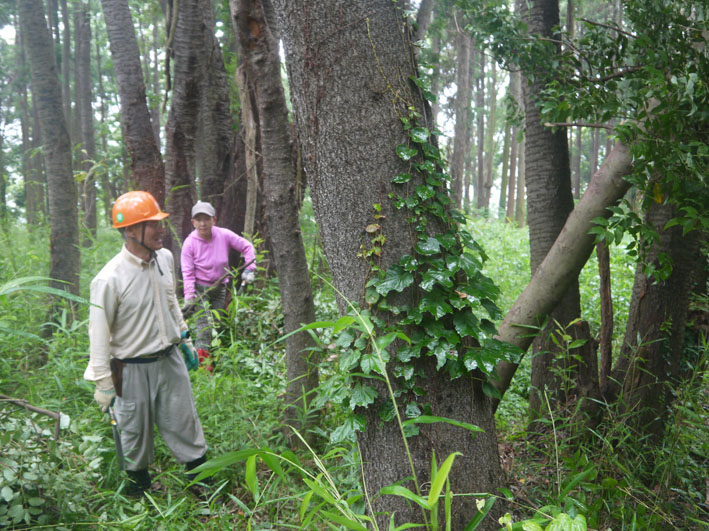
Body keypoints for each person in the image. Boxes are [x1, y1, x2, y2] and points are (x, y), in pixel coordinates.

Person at [84, 191, 207, 496]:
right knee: (133, 432)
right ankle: (139, 492)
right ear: (129, 230)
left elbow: (169, 300)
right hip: (131, 368)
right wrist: (103, 382)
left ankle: (201, 484)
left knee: (185, 421)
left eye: (159, 222)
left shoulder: (164, 258)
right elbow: (98, 334)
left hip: (170, 359)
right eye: (152, 224)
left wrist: (184, 337)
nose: (161, 229)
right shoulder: (108, 279)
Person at [181, 200, 257, 370]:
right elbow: (187, 273)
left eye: (206, 219)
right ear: (193, 222)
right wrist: (189, 297)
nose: (203, 223)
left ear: (214, 220)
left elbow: (247, 246)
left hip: (220, 287)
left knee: (218, 324)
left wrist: (250, 269)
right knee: (204, 328)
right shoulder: (189, 243)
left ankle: (215, 362)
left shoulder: (223, 235)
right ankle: (203, 370)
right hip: (200, 290)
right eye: (198, 219)